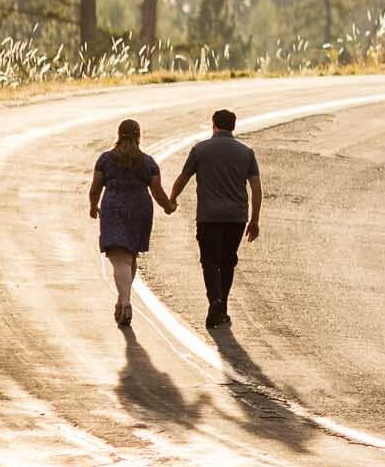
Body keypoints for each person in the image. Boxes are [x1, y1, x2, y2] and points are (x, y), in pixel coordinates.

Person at [171, 108, 262, 328]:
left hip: (208, 216)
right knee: (228, 261)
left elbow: (183, 178)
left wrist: (171, 200)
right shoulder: (246, 152)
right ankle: (222, 307)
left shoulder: (200, 150)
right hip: (236, 217)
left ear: (213, 125)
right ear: (234, 126)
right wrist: (254, 220)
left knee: (210, 261)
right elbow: (256, 189)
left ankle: (215, 301)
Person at [88, 119, 172, 329]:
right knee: (129, 256)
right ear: (138, 135)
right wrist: (168, 206)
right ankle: (122, 300)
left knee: (120, 260)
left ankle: (125, 302)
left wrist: (93, 205)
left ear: (118, 134)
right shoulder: (148, 162)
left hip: (114, 206)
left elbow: (95, 187)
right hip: (139, 207)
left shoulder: (105, 159)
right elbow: (157, 191)